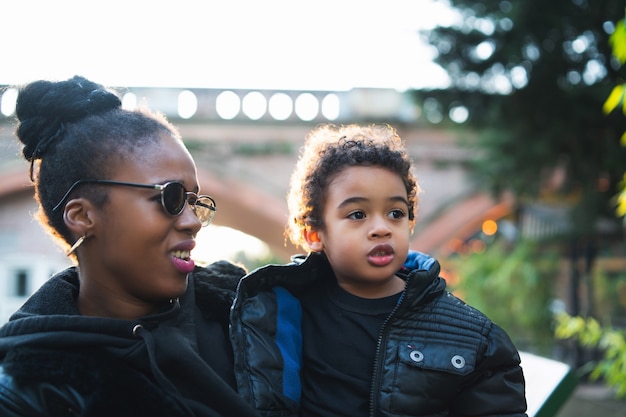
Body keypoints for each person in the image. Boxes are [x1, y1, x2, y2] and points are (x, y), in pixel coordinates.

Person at [0, 76, 261, 417]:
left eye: (195, 202)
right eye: (171, 197)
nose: (193, 221)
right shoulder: (27, 391)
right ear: (82, 216)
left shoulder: (249, 317)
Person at [230, 123, 528, 416]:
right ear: (315, 235)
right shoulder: (279, 313)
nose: (381, 228)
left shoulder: (473, 337)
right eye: (358, 214)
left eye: (395, 213)